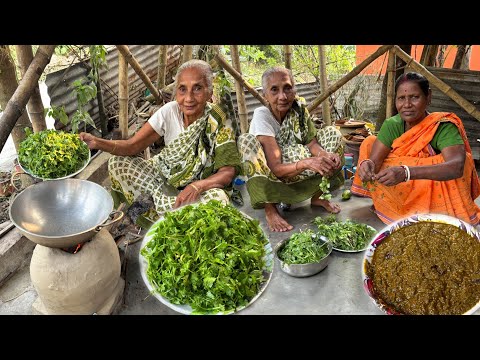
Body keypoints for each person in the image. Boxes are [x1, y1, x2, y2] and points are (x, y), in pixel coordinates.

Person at [80, 59, 242, 228]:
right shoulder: (169, 111)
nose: (189, 98)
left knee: (217, 201)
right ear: (176, 92)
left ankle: (172, 219)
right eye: (182, 89)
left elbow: (227, 172)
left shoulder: (219, 120)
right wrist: (97, 142)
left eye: (198, 88)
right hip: (166, 177)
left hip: (202, 188)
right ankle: (160, 218)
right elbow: (133, 146)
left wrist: (197, 186)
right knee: (117, 164)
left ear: (210, 91)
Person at [352, 71, 480, 226]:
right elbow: (375, 162)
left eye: (414, 97)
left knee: (463, 160)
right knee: (369, 142)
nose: (407, 105)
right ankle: (390, 206)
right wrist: (367, 165)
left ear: (429, 97)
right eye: (401, 98)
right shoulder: (392, 124)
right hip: (399, 191)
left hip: (431, 196)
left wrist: (406, 172)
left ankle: (429, 213)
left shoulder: (442, 126)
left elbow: (456, 167)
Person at [237, 66, 344, 232]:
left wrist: (325, 155)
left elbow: (311, 144)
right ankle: (270, 208)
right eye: (274, 90)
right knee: (246, 141)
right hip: (274, 173)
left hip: (298, 165)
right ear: (265, 94)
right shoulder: (262, 115)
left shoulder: (298, 109)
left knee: (332, 133)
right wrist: (306, 163)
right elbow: (275, 167)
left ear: (294, 89)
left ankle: (317, 196)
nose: (282, 96)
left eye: (287, 88)